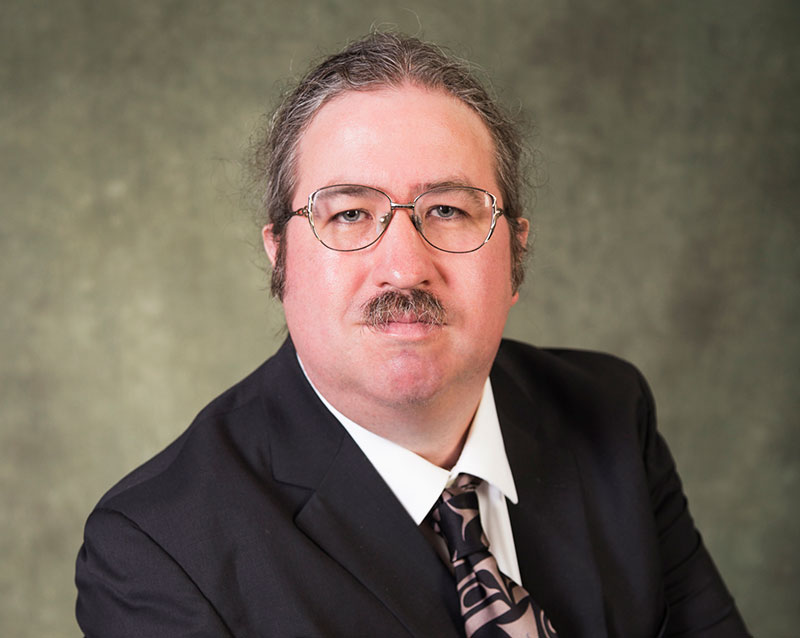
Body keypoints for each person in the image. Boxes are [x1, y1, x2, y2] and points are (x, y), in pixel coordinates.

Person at [75, 32, 750, 637]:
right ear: (280, 256)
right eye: (347, 214)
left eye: (449, 210)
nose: (403, 266)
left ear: (515, 256)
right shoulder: (158, 550)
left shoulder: (609, 413)